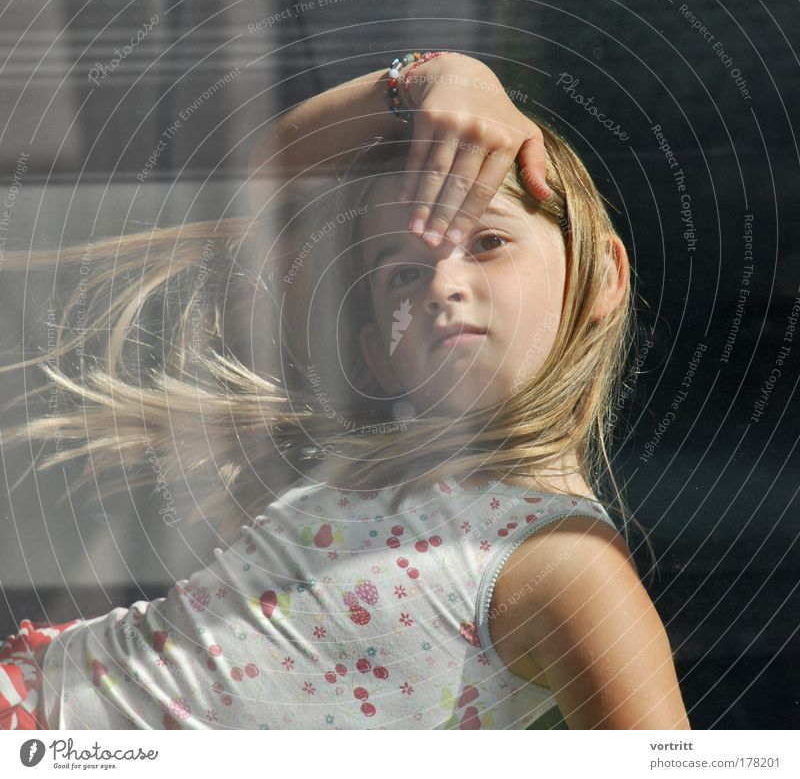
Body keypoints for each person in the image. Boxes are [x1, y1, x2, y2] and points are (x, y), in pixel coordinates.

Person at [0, 50, 689, 729]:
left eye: (487, 243)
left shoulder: (573, 569)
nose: (444, 284)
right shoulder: (369, 462)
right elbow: (268, 178)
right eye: (403, 275)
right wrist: (439, 79)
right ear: (378, 357)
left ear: (603, 275)